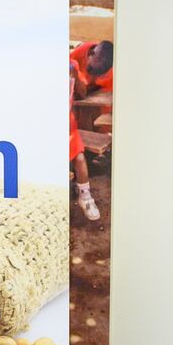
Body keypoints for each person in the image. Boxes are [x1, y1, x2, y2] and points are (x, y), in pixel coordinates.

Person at [69, 40, 113, 223]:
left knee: (79, 156)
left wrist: (80, 80)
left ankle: (85, 196)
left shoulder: (75, 68)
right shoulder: (75, 60)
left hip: (69, 122)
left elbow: (80, 91)